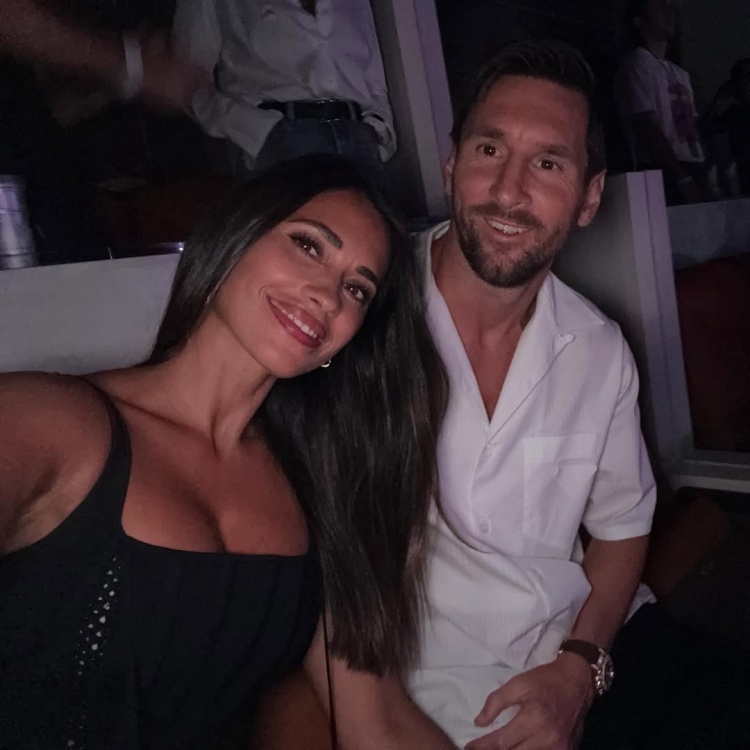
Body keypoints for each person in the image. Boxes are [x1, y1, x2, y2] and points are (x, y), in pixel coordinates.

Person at [0, 155, 454, 749]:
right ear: (233, 239)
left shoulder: (319, 490)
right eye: (308, 245)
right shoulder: (49, 422)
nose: (327, 295)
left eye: (356, 289)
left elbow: (380, 725)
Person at [406, 39, 750, 749]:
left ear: (590, 197)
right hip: (440, 692)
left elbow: (621, 527)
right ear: (451, 163)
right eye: (490, 150)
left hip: (586, 648)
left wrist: (579, 670)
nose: (509, 191)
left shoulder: (597, 350)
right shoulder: (362, 312)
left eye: (549, 164)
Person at [171, 0, 395, 180]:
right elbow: (185, 80)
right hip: (277, 143)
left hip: (357, 143)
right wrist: (259, 131)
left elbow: (374, 70)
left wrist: (376, 126)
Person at [614, 0, 710, 204]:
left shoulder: (681, 74)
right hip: (663, 169)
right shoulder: (639, 63)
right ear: (639, 20)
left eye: (671, 8)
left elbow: (693, 125)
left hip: (692, 163)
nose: (669, 13)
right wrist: (680, 176)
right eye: (660, 7)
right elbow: (645, 125)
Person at [706, 58, 750, 195]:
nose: (744, 83)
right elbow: (707, 129)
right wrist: (719, 100)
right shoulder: (735, 112)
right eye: (740, 78)